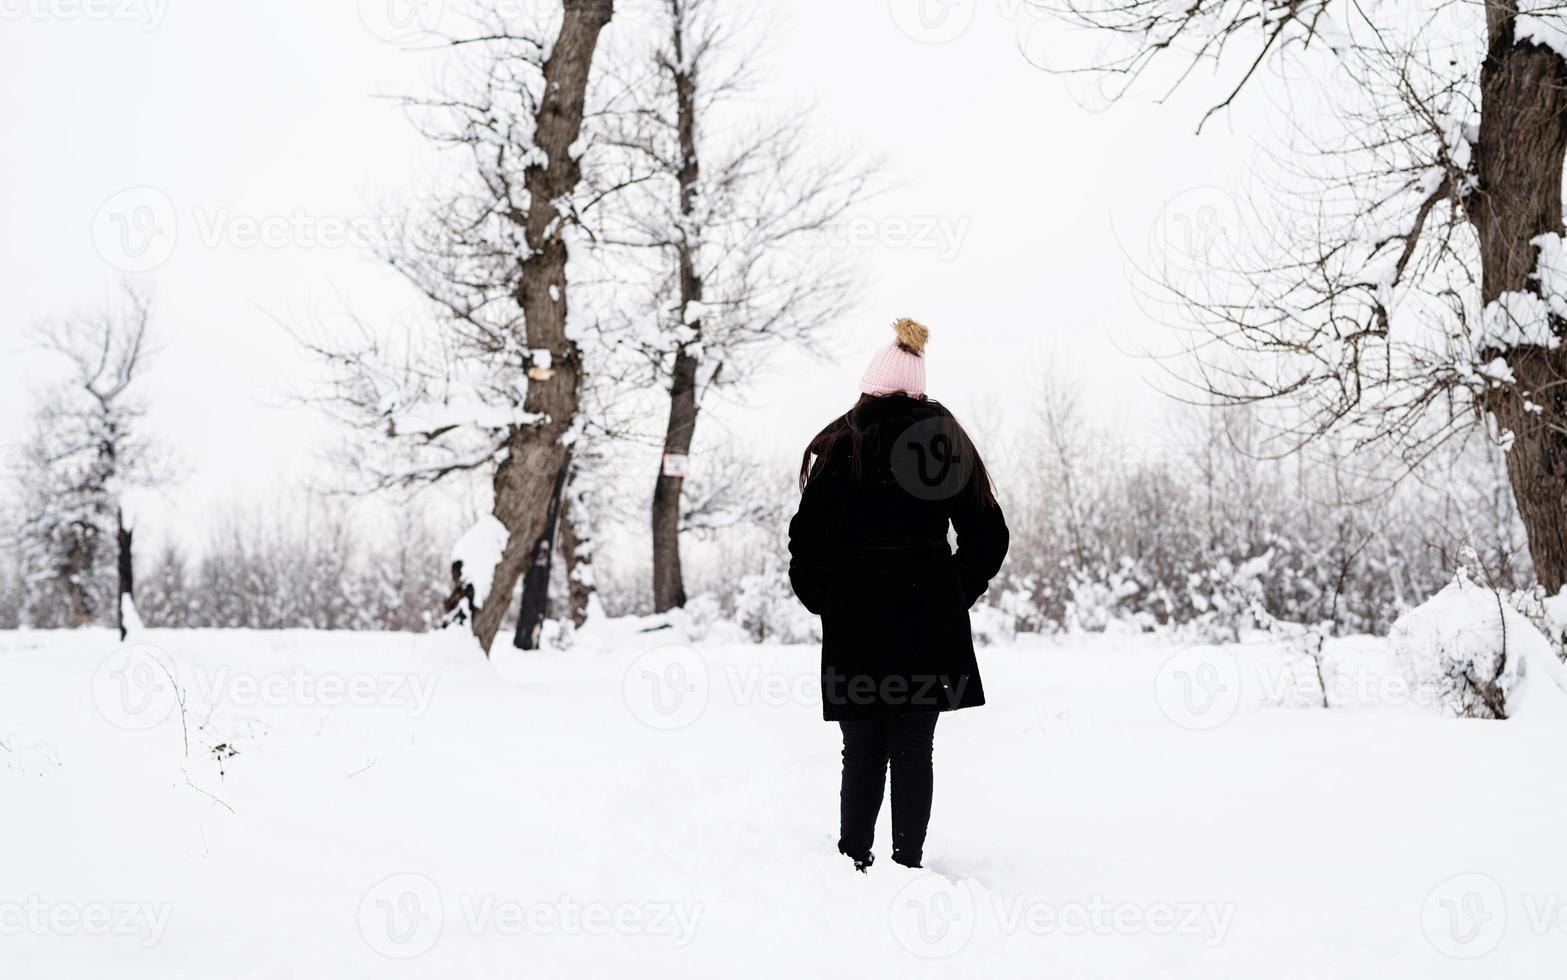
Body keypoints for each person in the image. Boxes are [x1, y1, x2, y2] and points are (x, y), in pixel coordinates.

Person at [788, 317, 1009, 872]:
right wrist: (953, 590)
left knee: (860, 749)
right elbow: (988, 534)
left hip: (855, 620)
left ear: (870, 385)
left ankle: (853, 863)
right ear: (918, 387)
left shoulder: (842, 443)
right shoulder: (941, 444)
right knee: (914, 748)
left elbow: (805, 539)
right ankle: (906, 863)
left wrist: (827, 600)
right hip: (927, 619)